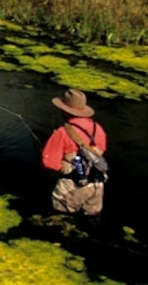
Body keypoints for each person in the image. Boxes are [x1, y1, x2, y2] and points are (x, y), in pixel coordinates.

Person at [41, 88, 108, 216]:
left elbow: (49, 163)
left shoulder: (62, 132)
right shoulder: (98, 128)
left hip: (71, 187)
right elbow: (101, 151)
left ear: (65, 111)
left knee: (60, 220)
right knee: (91, 221)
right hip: (97, 185)